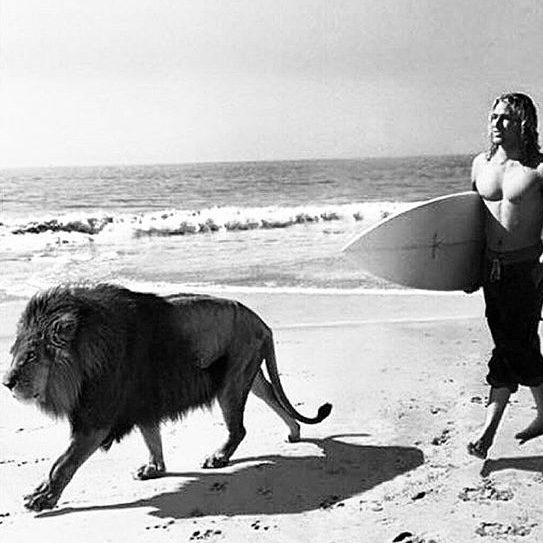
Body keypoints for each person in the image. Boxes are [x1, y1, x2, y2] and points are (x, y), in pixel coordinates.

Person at [468, 92, 543, 459]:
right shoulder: (480, 165)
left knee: (510, 347)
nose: (497, 124)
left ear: (524, 123)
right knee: (520, 344)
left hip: (526, 272)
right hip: (491, 272)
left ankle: (487, 431)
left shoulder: (538, 169)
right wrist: (466, 271)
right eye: (494, 117)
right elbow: (469, 226)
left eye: (507, 118)